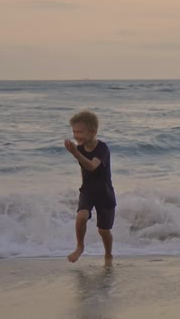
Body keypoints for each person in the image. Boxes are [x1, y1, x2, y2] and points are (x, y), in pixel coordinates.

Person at [64, 110, 116, 267]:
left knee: (103, 230)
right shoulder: (79, 148)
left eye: (79, 132)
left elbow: (92, 166)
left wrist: (75, 154)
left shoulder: (102, 148)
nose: (76, 135)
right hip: (87, 191)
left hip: (105, 193)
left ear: (92, 132)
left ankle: (108, 254)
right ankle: (80, 246)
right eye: (74, 132)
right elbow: (84, 168)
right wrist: (76, 152)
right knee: (81, 217)